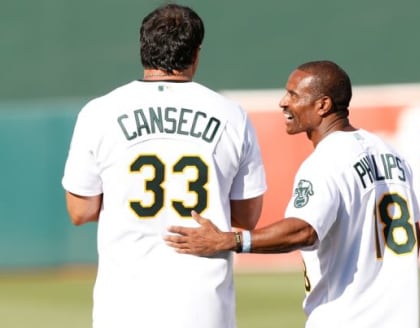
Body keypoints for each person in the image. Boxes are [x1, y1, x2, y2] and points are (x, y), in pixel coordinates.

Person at [165, 60, 420, 328]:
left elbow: (304, 230)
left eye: (293, 95)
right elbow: (416, 234)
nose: (283, 102)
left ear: (323, 105)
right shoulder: (390, 153)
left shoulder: (327, 160)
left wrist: (229, 241)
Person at [61, 3, 266, 328]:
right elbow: (247, 216)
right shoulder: (231, 115)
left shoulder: (99, 112)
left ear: (143, 50)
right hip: (204, 305)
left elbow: (80, 211)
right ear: (196, 54)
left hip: (123, 305)